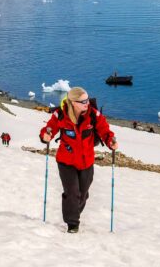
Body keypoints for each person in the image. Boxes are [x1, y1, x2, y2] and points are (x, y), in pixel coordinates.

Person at [40, 87, 118, 233]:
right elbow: (49, 128)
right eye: (83, 101)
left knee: (83, 194)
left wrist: (110, 141)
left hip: (86, 162)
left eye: (87, 100)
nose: (87, 103)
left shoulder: (93, 115)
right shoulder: (61, 115)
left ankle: (73, 212)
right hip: (66, 161)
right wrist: (45, 136)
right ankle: (72, 223)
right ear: (73, 102)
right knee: (72, 192)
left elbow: (105, 130)